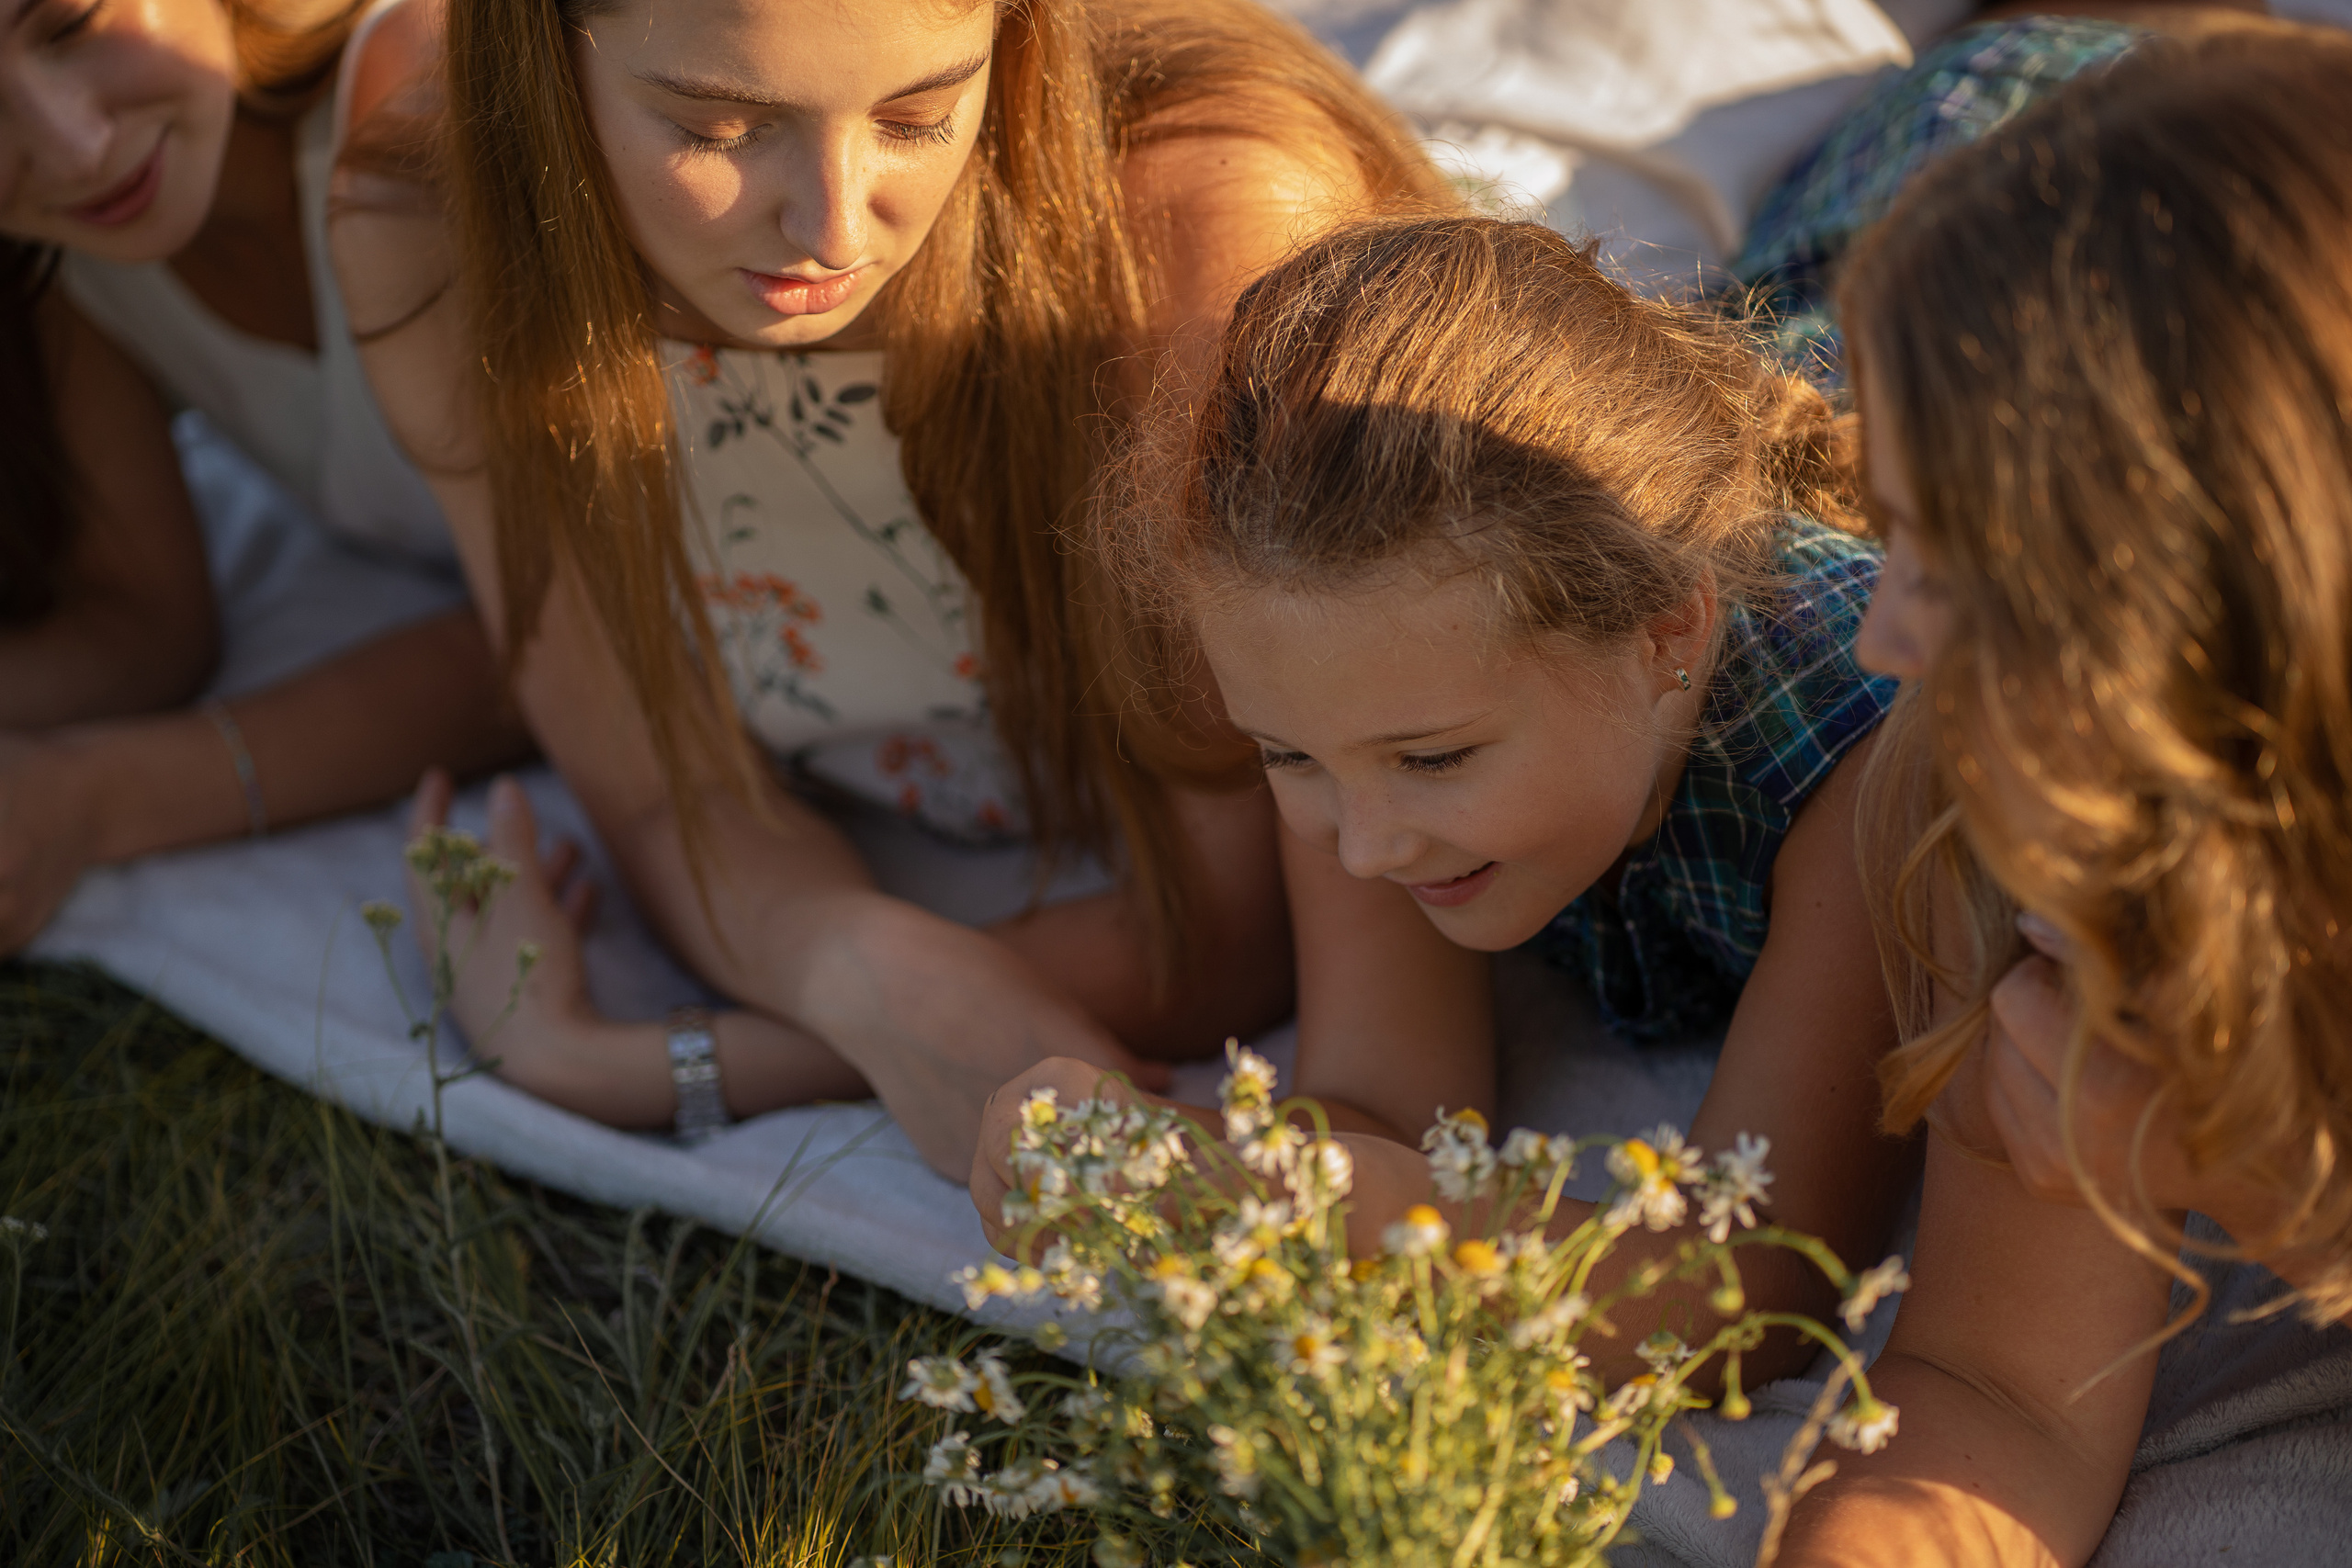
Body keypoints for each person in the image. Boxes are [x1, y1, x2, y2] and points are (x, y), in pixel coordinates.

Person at [334, 0, 1453, 1174]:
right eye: (717, 129)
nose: (830, 226)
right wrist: (857, 968)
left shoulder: (1200, 239)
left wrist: (639, 1064)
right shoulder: (431, 223)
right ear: (544, 54)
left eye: (919, 116)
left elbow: (1234, 943)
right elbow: (668, 791)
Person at [976, 213, 1917, 1387]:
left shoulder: (1871, 747)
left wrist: (1357, 1214)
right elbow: (1379, 1104)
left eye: (1433, 761)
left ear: (1667, 631)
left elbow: (1758, 1282)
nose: (1363, 852)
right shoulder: (1357, 701)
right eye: (1283, 757)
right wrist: (1162, 1158)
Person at [1781, 24, 2352, 1563]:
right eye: (1889, 536)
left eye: (1951, 569)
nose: (1880, 638)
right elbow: (2000, 1391)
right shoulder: (2011, 813)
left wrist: (2292, 1195)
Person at [0, 0, 526, 950]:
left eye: (73, 23)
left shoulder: (426, 96)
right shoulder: (69, 255)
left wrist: (91, 797)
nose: (75, 149)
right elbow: (145, 620)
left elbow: (568, 633)